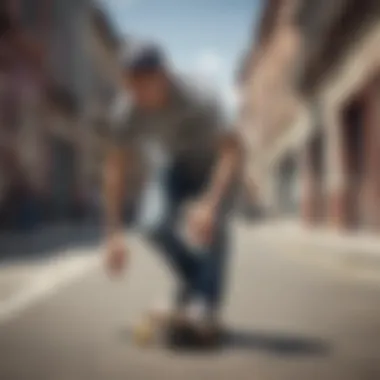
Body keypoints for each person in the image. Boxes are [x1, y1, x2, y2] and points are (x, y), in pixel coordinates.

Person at [103, 45, 243, 341]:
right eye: (130, 85)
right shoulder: (127, 110)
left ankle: (205, 303)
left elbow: (231, 153)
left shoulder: (200, 96)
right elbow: (115, 169)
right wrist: (114, 233)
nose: (136, 94)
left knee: (212, 226)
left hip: (214, 165)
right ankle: (194, 279)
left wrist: (209, 204)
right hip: (174, 166)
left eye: (143, 85)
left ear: (163, 76)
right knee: (151, 224)